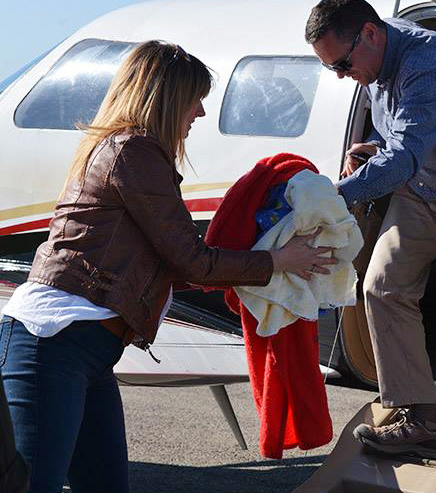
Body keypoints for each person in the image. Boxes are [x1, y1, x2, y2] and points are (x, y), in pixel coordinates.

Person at [0, 40, 336, 493]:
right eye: (195, 98)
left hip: (86, 350)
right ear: (167, 96)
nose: (198, 113)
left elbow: (174, 261)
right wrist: (278, 260)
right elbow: (191, 260)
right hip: (53, 343)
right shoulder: (134, 152)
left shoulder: (127, 151)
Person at [305, 0, 436, 460]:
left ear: (372, 34)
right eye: (330, 69)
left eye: (341, 64)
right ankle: (416, 415)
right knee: (380, 286)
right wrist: (371, 149)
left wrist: (333, 197)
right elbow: (397, 138)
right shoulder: (373, 62)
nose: (341, 76)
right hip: (419, 193)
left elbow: (406, 152)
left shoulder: (428, 61)